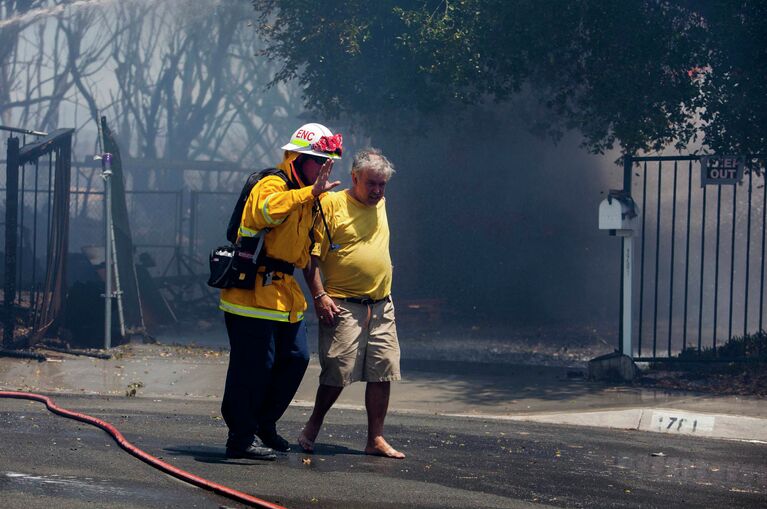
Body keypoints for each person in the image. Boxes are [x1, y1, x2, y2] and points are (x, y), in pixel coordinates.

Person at [219, 123, 342, 460]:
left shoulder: (312, 198)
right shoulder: (273, 183)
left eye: (327, 162)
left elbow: (305, 251)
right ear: (298, 159)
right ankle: (240, 438)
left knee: (295, 360)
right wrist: (310, 193)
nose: (323, 168)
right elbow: (264, 212)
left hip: (284, 296)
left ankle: (262, 425)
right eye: (318, 160)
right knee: (254, 367)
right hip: (252, 295)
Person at [299, 147, 405, 459]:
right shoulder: (331, 205)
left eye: (382, 185)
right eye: (371, 183)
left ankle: (376, 438)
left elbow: (373, 161)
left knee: (382, 371)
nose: (377, 191)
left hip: (382, 304)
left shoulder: (381, 203)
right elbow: (310, 259)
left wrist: (373, 154)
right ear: (354, 178)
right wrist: (319, 296)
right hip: (342, 304)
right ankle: (312, 426)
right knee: (337, 371)